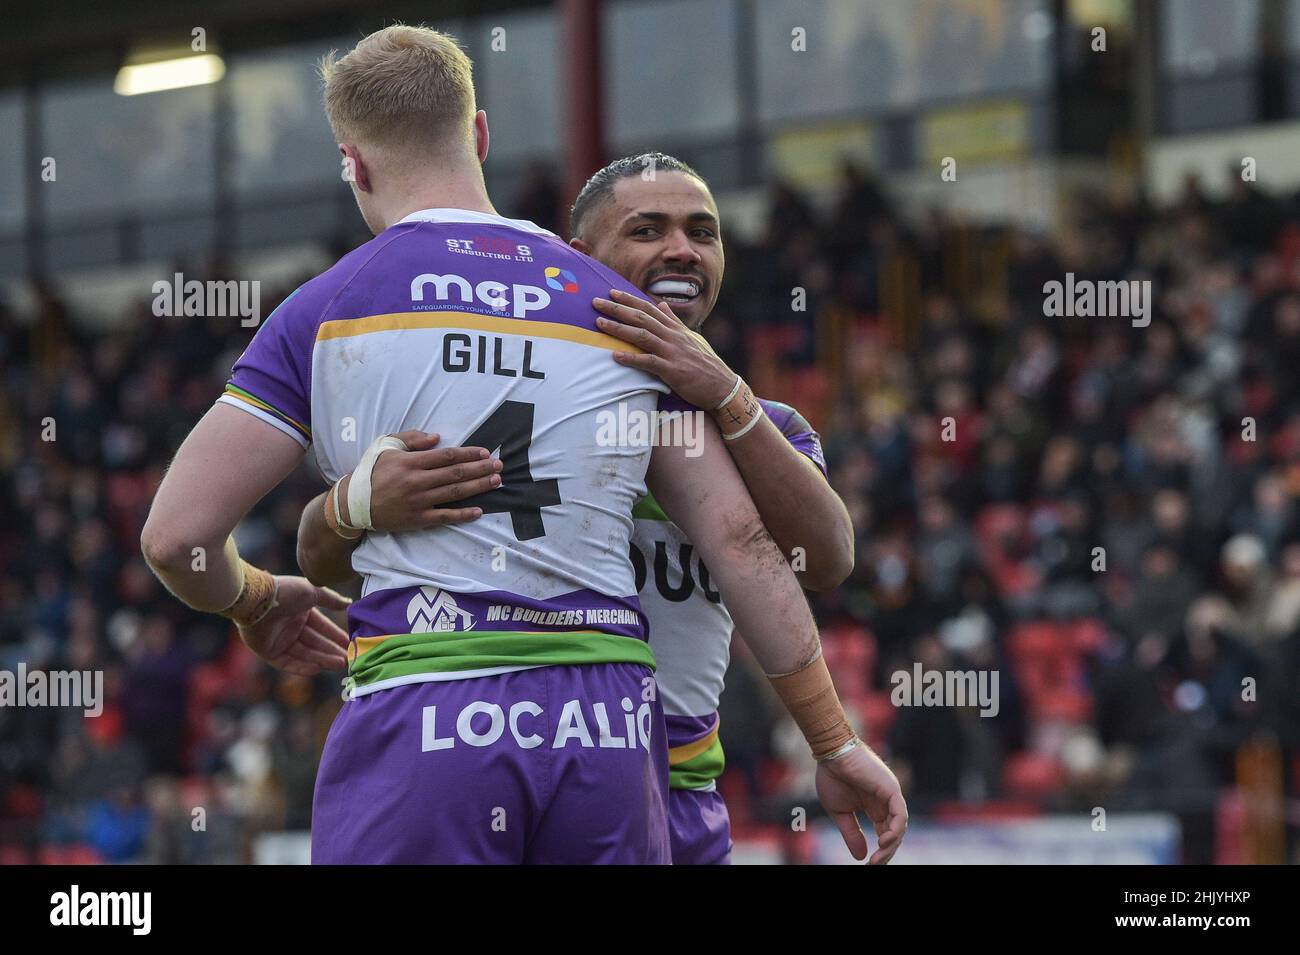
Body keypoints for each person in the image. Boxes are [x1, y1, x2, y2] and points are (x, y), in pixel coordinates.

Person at [143, 25, 903, 864]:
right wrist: (833, 743)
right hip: (610, 729)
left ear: (353, 164)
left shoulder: (329, 305)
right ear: (479, 135)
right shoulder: (619, 313)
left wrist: (250, 598)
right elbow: (743, 541)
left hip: (430, 705)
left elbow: (174, 538)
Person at [298, 152, 907, 864]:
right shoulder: (483, 396)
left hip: (675, 792)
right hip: (514, 752)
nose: (681, 248)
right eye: (647, 230)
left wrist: (728, 395)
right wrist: (349, 503)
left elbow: (828, 558)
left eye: (702, 232)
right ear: (581, 258)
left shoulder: (765, 425)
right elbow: (325, 559)